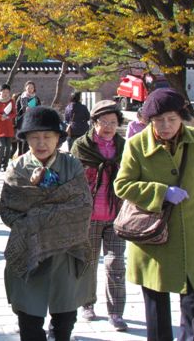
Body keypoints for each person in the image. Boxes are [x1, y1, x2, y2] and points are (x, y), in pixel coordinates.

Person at [114, 88, 194, 341]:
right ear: (148, 120)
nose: (165, 126)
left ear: (182, 117)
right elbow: (122, 185)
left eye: (171, 119)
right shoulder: (136, 145)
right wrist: (161, 192)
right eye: (158, 120)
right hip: (155, 235)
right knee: (156, 301)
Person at [0, 106, 93, 341]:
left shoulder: (71, 166)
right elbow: (8, 210)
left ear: (58, 138)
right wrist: (46, 219)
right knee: (29, 322)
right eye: (35, 137)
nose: (41, 143)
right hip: (29, 251)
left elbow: (82, 206)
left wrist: (38, 216)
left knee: (64, 322)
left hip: (67, 252)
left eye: (48, 136)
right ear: (26, 138)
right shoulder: (17, 168)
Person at [70, 100, 128, 331]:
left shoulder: (124, 147)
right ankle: (87, 304)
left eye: (113, 122)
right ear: (93, 123)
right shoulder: (81, 146)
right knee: (89, 262)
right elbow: (72, 179)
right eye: (103, 122)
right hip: (89, 215)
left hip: (116, 215)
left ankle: (116, 312)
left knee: (116, 264)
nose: (108, 127)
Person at [0, 83, 16, 171]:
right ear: (0, 92)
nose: (5, 94)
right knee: (1, 146)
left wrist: (9, 117)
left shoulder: (11, 101)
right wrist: (0, 116)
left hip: (8, 125)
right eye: (4, 92)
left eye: (7, 92)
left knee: (8, 147)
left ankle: (5, 164)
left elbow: (14, 113)